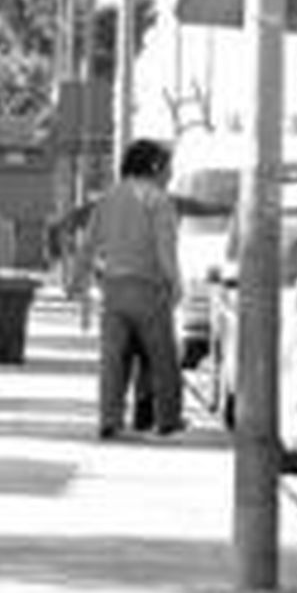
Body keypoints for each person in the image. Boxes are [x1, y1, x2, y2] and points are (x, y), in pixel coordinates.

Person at [75, 138, 185, 439]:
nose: (170, 174)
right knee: (163, 358)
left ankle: (109, 419)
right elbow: (166, 249)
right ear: (155, 167)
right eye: (167, 167)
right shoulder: (158, 201)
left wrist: (77, 280)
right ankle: (168, 418)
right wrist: (176, 284)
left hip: (113, 289)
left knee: (113, 359)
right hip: (149, 289)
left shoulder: (109, 198)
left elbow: (88, 245)